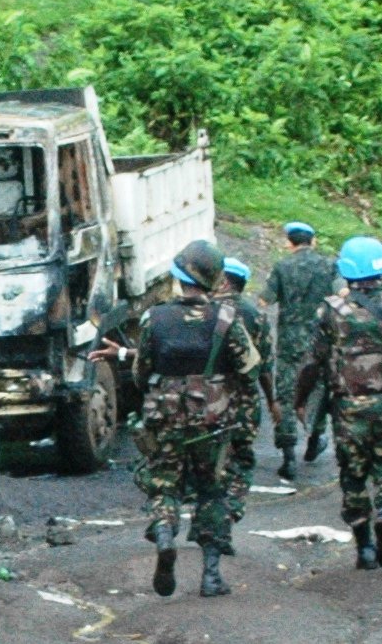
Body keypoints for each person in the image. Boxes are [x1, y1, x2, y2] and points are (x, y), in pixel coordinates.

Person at [90, 239, 260, 597]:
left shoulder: (156, 317)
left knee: (165, 484)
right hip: (212, 422)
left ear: (178, 275)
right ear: (216, 279)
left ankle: (165, 536)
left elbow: (142, 371)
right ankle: (211, 575)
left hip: (165, 418)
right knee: (212, 492)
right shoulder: (227, 318)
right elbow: (249, 370)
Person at [295, 237, 382, 570]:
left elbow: (311, 362)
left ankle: (365, 549)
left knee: (353, 475)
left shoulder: (332, 310)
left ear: (346, 270)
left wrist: (300, 401)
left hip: (349, 407)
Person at [260, 221, 338, 480]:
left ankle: (288, 456)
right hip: (319, 341)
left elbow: (264, 299)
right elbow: (342, 293)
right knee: (318, 390)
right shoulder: (328, 266)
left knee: (286, 396)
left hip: (290, 342)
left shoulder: (282, 267)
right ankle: (315, 438)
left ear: (289, 243)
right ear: (313, 241)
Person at [214, 256, 280, 528]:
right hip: (244, 400)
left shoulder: (206, 311)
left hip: (206, 398)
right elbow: (264, 365)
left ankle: (206, 511)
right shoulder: (256, 316)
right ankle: (232, 509)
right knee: (241, 458)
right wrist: (272, 400)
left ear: (223, 280)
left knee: (208, 456)